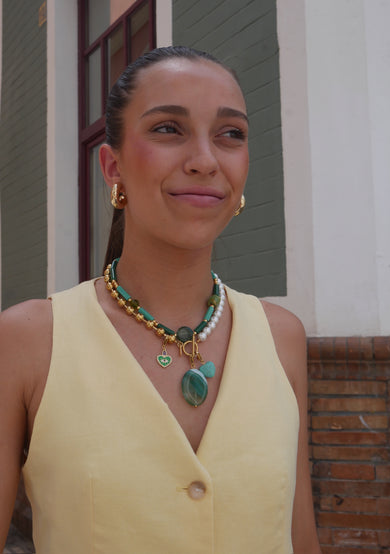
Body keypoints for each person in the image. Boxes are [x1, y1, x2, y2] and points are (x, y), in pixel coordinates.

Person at [0, 46, 322, 554]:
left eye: (230, 134)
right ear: (113, 166)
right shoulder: (29, 340)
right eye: (169, 129)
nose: (205, 161)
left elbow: (300, 539)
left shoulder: (282, 336)